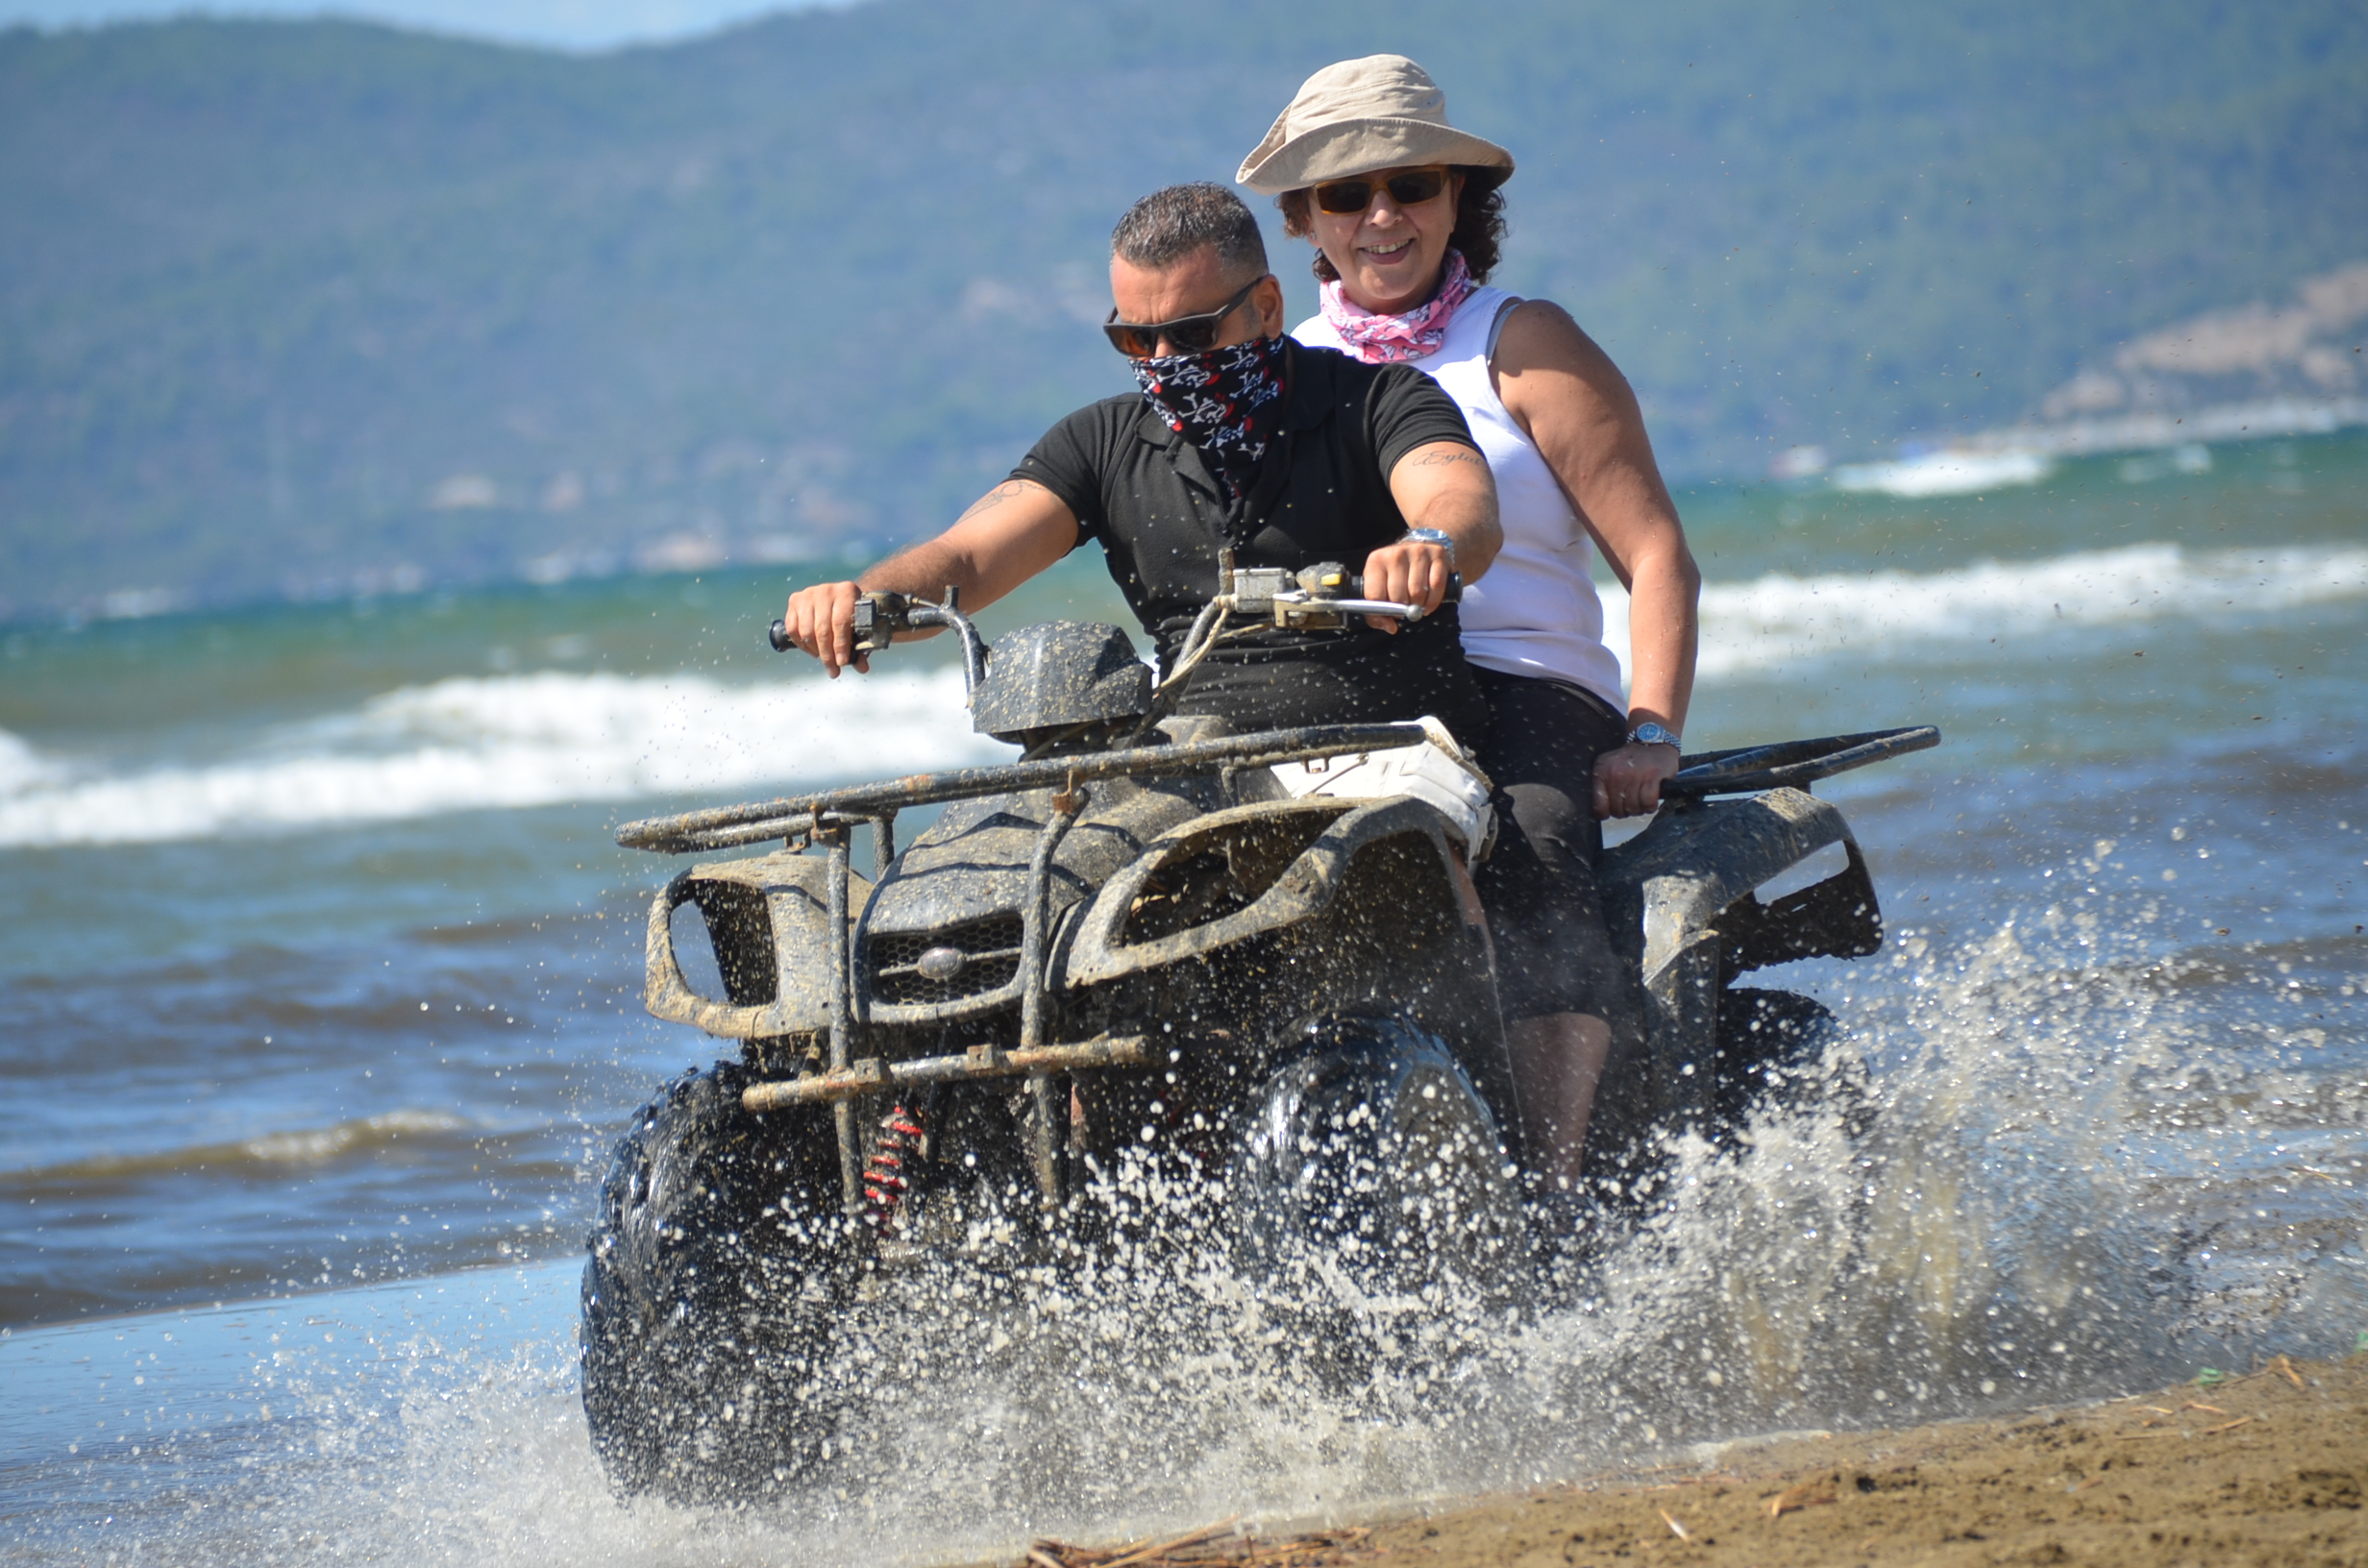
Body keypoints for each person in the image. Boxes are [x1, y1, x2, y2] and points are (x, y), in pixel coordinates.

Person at [1240, 56, 1704, 1194]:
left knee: (1532, 841)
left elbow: (1654, 555)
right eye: (1346, 194)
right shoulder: (1281, 373)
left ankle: (1551, 1192)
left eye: (1411, 186)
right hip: (1356, 694)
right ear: (1302, 218)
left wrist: (1650, 732)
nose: (1381, 216)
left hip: (1524, 682)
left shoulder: (1523, 342)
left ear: (1457, 197)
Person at [778, 180, 1503, 756]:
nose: (1162, 362)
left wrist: (1430, 545)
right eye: (1135, 339)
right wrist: (859, 599)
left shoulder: (1379, 399)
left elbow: (1458, 498)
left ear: (1267, 307)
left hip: (1395, 753)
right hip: (1188, 768)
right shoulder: (1101, 442)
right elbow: (967, 558)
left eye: (1191, 333)